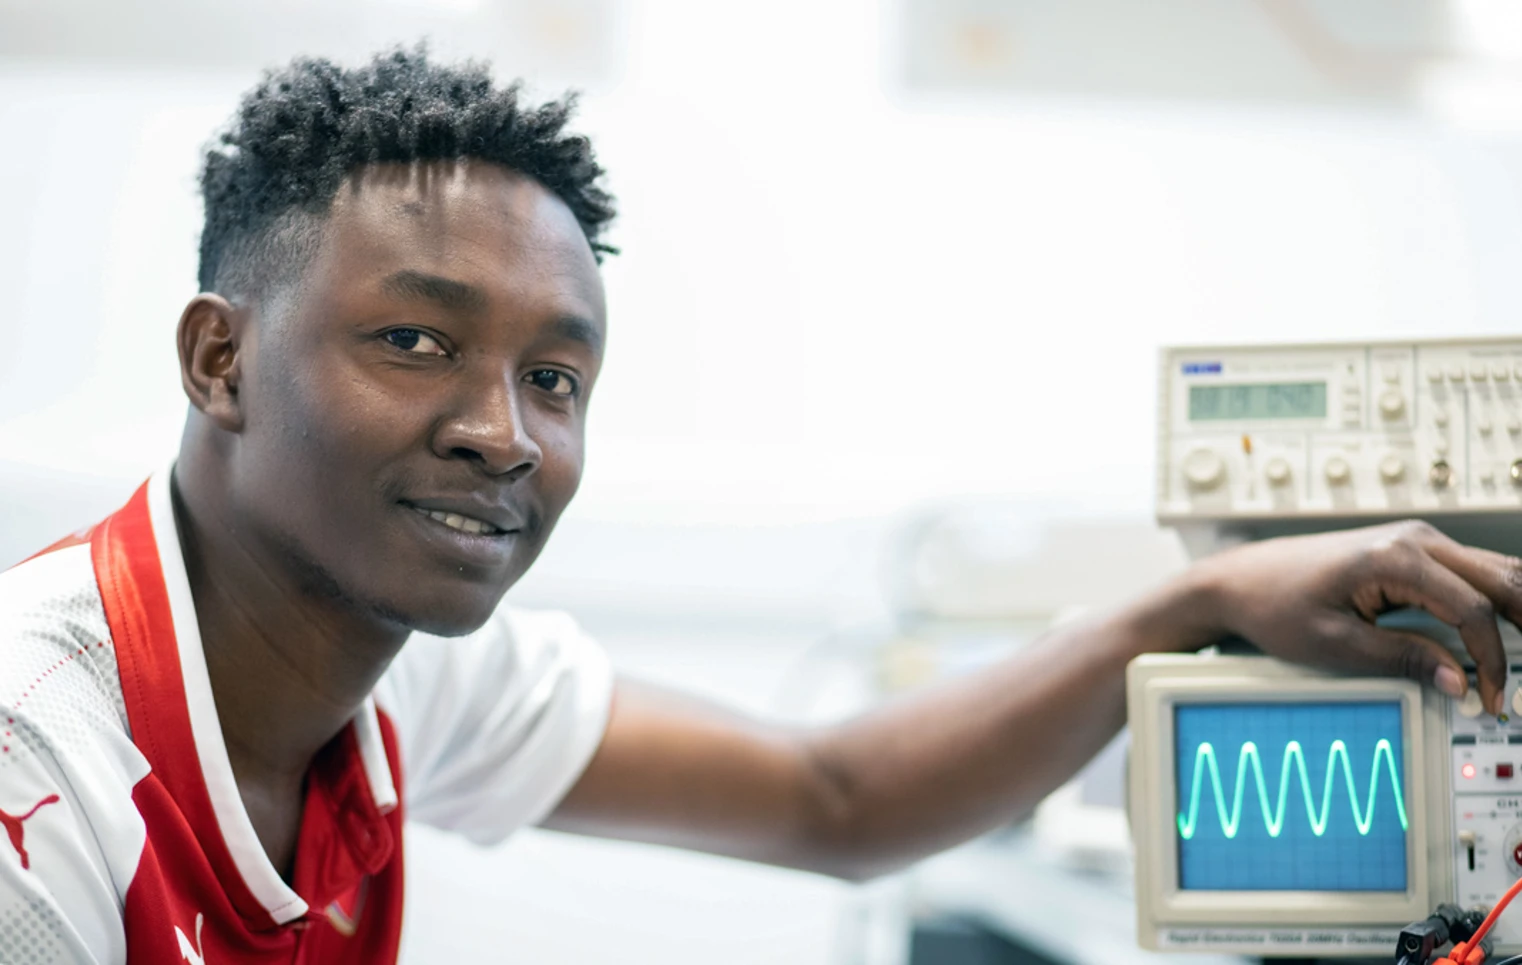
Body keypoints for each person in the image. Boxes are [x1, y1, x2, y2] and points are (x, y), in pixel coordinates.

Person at [0, 47, 1517, 965]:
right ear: (220, 361)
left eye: (556, 376)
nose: (502, 433)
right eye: (415, 341)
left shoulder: (403, 668)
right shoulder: (33, 768)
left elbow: (834, 800)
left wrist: (1183, 606)